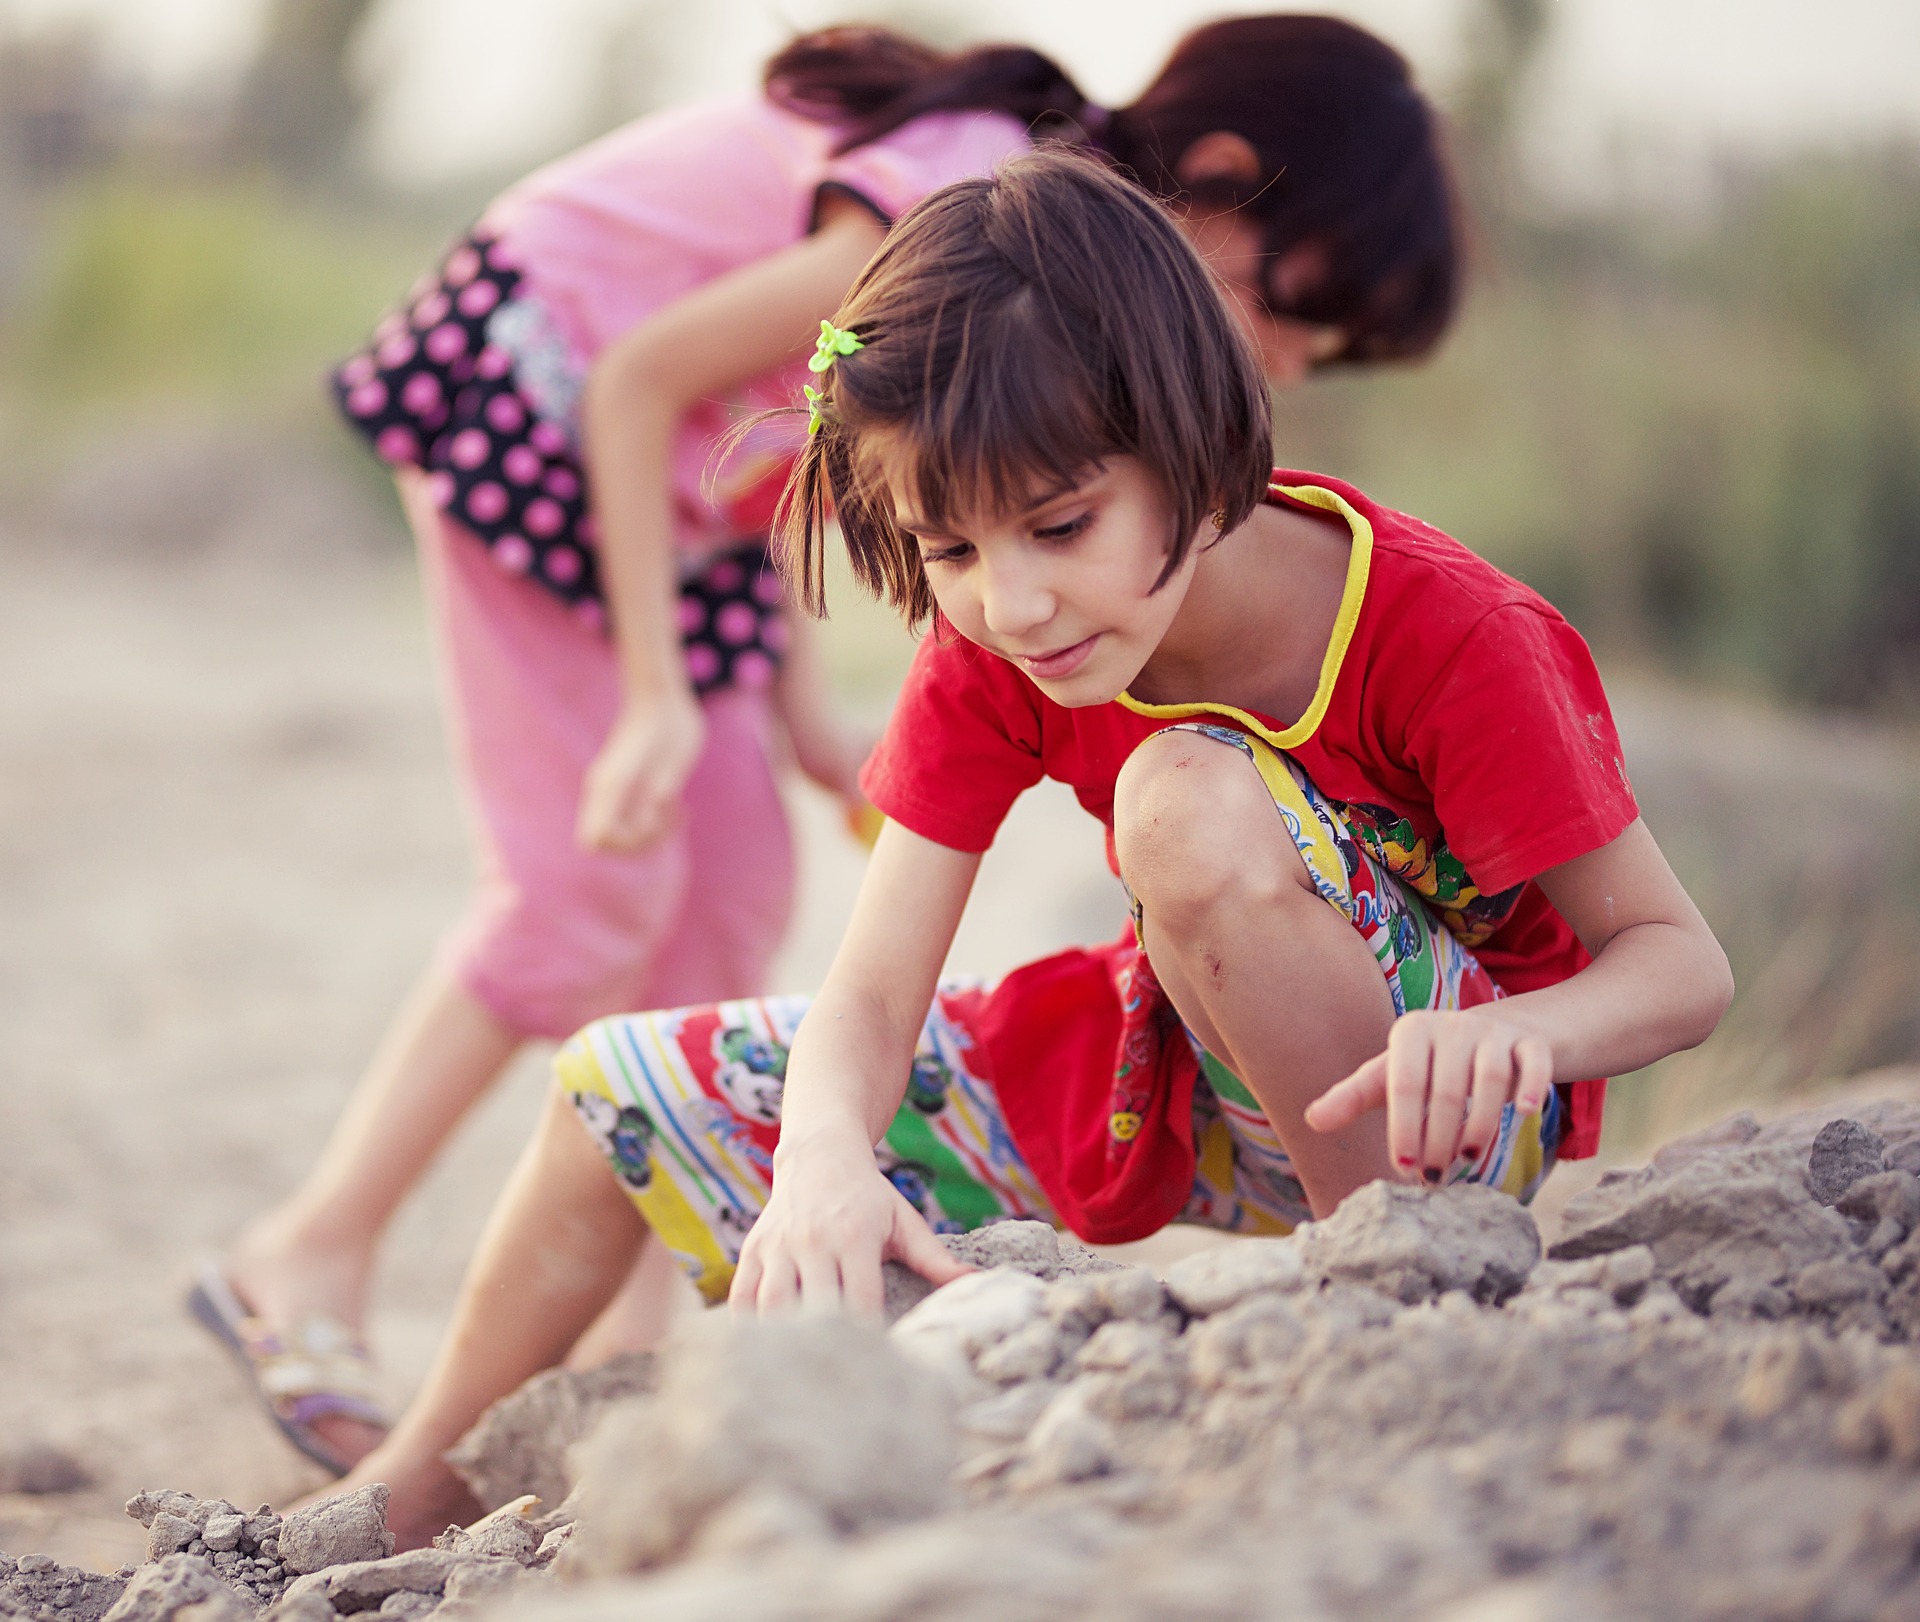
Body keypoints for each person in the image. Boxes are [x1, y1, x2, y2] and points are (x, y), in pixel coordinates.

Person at [317, 144, 1731, 1544]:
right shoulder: (995, 645)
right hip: (1176, 1070)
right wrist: (820, 1154)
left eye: (1063, 524)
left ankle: (1375, 1312)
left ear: (1192, 436)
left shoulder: (1447, 634)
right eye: (952, 550)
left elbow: (1678, 966)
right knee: (607, 1088)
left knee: (1180, 793)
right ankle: (407, 1486)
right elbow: (871, 996)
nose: (1018, 603)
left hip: (1445, 1118)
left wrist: (1525, 1037)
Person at [211, 13, 1468, 1489]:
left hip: (695, 514)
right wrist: (655, 693)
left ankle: (632, 1322)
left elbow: (811, 462)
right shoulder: (977, 213)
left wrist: (804, 721)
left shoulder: (1057, 282)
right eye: (1296, 308)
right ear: (1223, 175)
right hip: (547, 416)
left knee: (737, 887)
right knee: (588, 892)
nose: (1289, 362)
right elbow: (643, 385)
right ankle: (307, 1249)